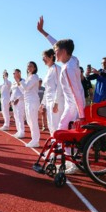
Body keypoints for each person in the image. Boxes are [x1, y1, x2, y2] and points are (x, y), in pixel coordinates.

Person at [37, 16, 85, 174]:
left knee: (64, 133)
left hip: (74, 106)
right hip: (74, 105)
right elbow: (56, 44)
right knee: (60, 132)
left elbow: (77, 92)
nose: (54, 54)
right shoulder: (73, 59)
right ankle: (67, 160)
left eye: (56, 52)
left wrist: (81, 115)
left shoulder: (67, 69)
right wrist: (43, 32)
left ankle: (73, 164)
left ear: (64, 52)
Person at [40, 49, 64, 136]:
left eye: (45, 57)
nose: (43, 59)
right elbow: (47, 89)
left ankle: (59, 146)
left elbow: (59, 86)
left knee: (56, 124)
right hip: (49, 100)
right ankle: (54, 143)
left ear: (51, 56)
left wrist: (56, 102)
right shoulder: (48, 70)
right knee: (51, 124)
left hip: (56, 101)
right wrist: (43, 103)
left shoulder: (57, 69)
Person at [17, 62, 41, 147]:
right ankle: (34, 139)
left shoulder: (34, 77)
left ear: (34, 68)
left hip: (33, 101)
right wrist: (19, 83)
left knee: (33, 121)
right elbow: (24, 90)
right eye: (28, 66)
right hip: (27, 101)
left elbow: (26, 87)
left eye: (31, 66)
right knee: (29, 121)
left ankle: (35, 140)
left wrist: (20, 79)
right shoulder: (28, 77)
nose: (29, 67)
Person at [10, 69, 25, 138]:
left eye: (15, 73)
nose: (13, 75)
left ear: (19, 73)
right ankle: (18, 131)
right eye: (13, 73)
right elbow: (13, 92)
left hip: (20, 101)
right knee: (16, 117)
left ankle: (22, 132)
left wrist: (18, 99)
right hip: (14, 102)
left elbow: (24, 92)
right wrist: (11, 100)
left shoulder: (23, 81)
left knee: (20, 117)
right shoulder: (13, 83)